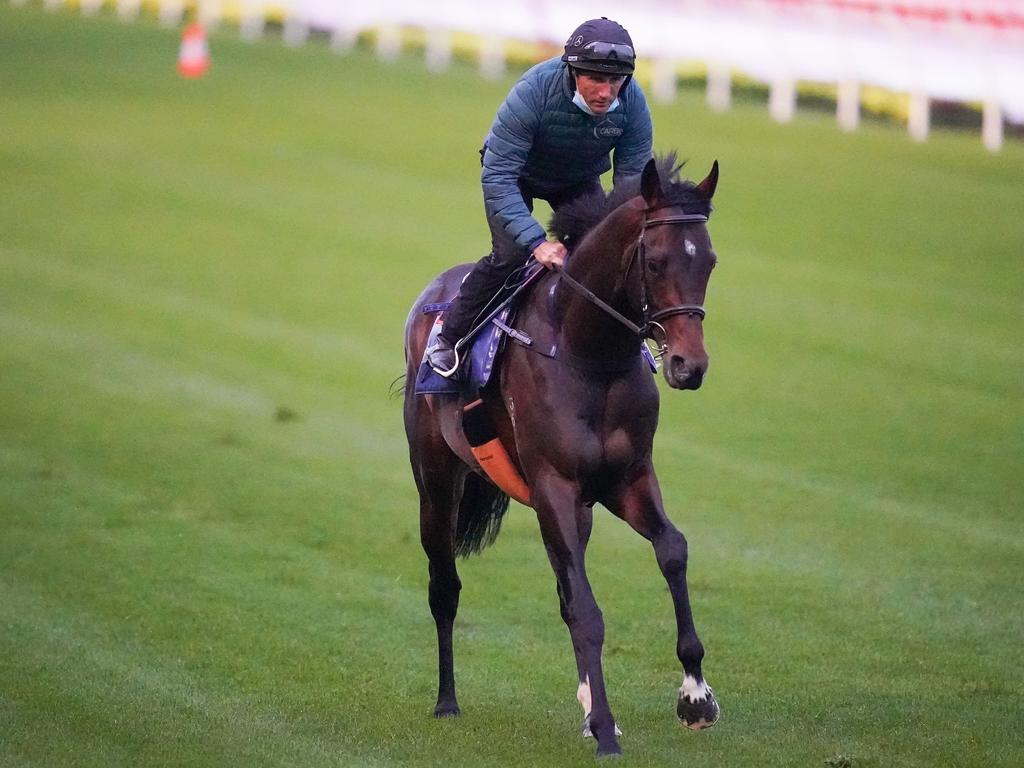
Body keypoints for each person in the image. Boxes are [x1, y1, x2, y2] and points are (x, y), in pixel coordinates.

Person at [426, 17, 653, 376]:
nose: (607, 92)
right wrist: (536, 242)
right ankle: (447, 336)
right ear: (572, 70)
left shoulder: (633, 103)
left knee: (605, 256)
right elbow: (499, 176)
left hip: (576, 180)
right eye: (596, 78)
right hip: (516, 177)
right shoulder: (533, 91)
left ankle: (619, 341)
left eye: (615, 80)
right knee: (512, 255)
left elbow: (632, 185)